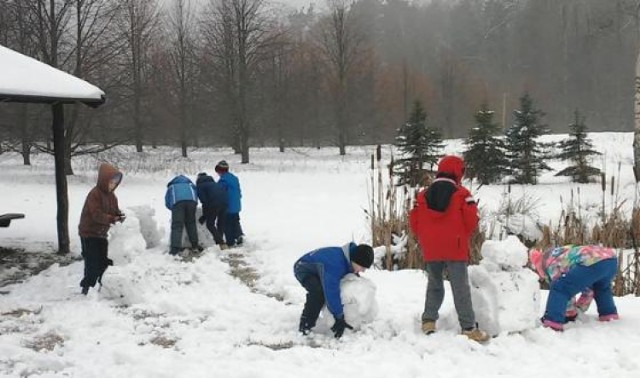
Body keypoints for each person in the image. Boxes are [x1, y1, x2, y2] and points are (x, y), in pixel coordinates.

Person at [408, 155, 489, 342]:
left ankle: (428, 320)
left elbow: (414, 221)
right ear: (457, 172)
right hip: (455, 245)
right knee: (460, 287)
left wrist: (425, 237)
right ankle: (468, 327)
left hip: (431, 247)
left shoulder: (422, 195)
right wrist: (461, 235)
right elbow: (471, 221)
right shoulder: (462, 194)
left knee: (434, 284)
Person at [293, 242, 374, 339]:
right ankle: (305, 326)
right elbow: (331, 292)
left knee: (329, 287)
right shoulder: (335, 265)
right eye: (362, 267)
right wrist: (338, 316)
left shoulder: (349, 259)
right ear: (354, 260)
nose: (363, 270)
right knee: (318, 293)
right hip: (303, 269)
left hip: (320, 269)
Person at [529, 245, 619, 331]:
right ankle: (608, 314)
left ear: (540, 267)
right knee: (601, 288)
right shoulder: (562, 254)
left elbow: (565, 289)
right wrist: (580, 308)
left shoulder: (551, 264)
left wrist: (570, 313)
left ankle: (553, 322)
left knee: (559, 287)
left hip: (591, 261)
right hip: (610, 259)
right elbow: (588, 289)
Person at [78, 163, 125, 295]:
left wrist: (119, 215)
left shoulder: (112, 196)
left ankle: (102, 286)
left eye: (115, 184)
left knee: (104, 261)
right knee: (92, 261)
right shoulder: (94, 194)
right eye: (111, 183)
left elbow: (115, 211)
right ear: (104, 181)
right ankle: (87, 288)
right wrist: (111, 219)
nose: (113, 186)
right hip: (89, 233)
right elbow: (96, 215)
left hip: (102, 234)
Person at [165, 175, 202, 256]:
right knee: (191, 224)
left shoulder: (172, 186)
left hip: (178, 203)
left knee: (177, 225)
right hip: (192, 202)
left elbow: (167, 202)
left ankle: (175, 249)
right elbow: (196, 196)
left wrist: (174, 210)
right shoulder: (191, 185)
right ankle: (195, 245)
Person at [196, 172, 228, 250]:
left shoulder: (200, 186)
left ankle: (221, 243)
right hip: (225, 203)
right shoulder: (214, 183)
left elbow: (204, 201)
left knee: (210, 224)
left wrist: (204, 216)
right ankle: (220, 243)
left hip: (214, 204)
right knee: (220, 223)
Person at [215, 160, 243, 247]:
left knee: (227, 224)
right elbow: (239, 191)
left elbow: (220, 193)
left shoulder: (222, 181)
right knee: (235, 221)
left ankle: (230, 241)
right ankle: (238, 235)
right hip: (236, 204)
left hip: (228, 206)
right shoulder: (234, 178)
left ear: (220, 171)